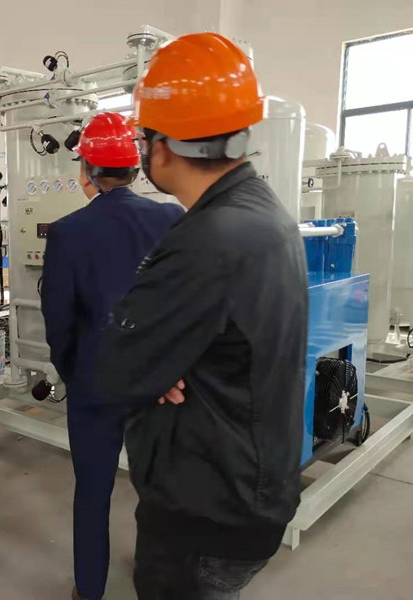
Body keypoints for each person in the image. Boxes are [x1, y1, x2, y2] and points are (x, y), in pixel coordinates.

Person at [97, 33, 308, 600]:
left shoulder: (206, 238)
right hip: (251, 487)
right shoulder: (264, 212)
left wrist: (155, 366)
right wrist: (160, 364)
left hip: (207, 511)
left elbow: (116, 370)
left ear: (162, 146)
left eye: (144, 137)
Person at [40, 113, 184, 600]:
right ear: (136, 167)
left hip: (94, 383)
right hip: (158, 384)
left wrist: (73, 371)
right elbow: (184, 302)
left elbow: (58, 320)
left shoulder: (67, 232)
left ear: (87, 169)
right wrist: (171, 368)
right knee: (158, 491)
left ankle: (89, 589)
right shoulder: (170, 218)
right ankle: (157, 581)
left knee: (92, 492)